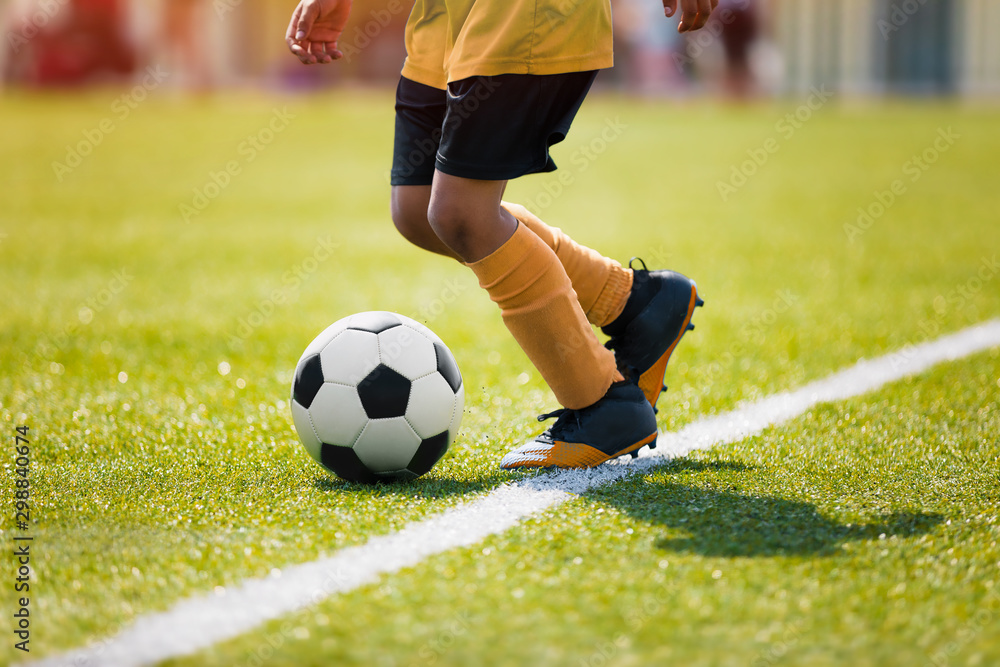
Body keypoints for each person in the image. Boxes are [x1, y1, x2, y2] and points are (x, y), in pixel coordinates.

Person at [285, 0, 713, 469]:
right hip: (444, 17)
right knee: (417, 208)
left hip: (526, 13)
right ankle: (635, 303)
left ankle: (602, 403)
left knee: (459, 213)